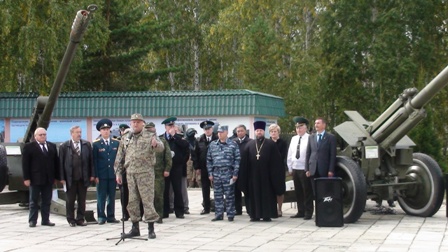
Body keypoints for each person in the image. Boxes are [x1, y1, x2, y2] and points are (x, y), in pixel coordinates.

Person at [115, 113, 164, 239]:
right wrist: (118, 172)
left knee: (147, 201)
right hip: (130, 173)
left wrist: (155, 144)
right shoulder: (126, 137)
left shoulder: (150, 135)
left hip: (145, 174)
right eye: (133, 122)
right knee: (132, 201)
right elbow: (120, 156)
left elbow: (161, 148)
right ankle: (135, 228)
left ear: (143, 123)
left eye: (138, 122)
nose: (135, 124)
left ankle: (151, 228)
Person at [239, 121, 285, 222]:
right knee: (253, 194)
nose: (259, 132)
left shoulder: (271, 144)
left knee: (266, 195)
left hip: (267, 177)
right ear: (255, 132)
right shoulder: (249, 145)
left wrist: (275, 177)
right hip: (253, 177)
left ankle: (266, 215)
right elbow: (244, 163)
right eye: (257, 130)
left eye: (260, 130)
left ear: (263, 131)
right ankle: (254, 215)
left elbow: (276, 162)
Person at [22, 127, 60, 227]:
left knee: (46, 201)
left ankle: (45, 220)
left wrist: (56, 177)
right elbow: (25, 164)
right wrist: (26, 178)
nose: (43, 136)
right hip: (35, 179)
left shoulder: (51, 146)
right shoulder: (29, 147)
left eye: (44, 134)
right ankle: (32, 220)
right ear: (35, 136)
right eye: (40, 135)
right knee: (34, 201)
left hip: (48, 179)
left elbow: (56, 163)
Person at [59, 126, 94, 227]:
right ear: (72, 134)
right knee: (70, 200)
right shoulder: (65, 146)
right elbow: (61, 163)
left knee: (82, 200)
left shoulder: (86, 145)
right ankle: (71, 219)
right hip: (70, 179)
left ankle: (80, 219)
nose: (79, 134)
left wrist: (92, 174)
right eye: (77, 132)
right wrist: (62, 178)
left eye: (80, 132)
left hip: (83, 178)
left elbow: (91, 161)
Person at [207, 125, 240, 221]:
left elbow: (237, 159)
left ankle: (230, 214)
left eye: (221, 132)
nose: (219, 134)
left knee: (229, 195)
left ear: (226, 133)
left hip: (228, 173)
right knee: (217, 195)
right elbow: (209, 160)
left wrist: (235, 173)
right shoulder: (213, 145)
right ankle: (218, 214)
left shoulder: (233, 144)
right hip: (216, 173)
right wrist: (210, 173)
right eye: (218, 132)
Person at [93, 119, 120, 225]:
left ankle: (111, 216)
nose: (106, 131)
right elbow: (94, 161)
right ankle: (101, 216)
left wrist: (118, 173)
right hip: (102, 175)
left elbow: (118, 160)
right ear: (100, 131)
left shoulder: (116, 143)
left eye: (107, 129)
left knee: (112, 196)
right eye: (103, 129)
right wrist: (95, 175)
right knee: (101, 196)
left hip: (112, 174)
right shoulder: (96, 144)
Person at [161, 117, 189, 219]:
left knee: (178, 190)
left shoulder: (178, 137)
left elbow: (186, 147)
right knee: (165, 190)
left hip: (177, 167)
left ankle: (180, 211)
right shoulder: (161, 138)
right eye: (169, 126)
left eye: (172, 125)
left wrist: (175, 136)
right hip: (165, 168)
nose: (171, 127)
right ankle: (165, 211)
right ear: (165, 127)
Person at [287, 117, 314, 220]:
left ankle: (308, 212)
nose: (298, 129)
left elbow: (311, 154)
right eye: (297, 127)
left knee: (307, 191)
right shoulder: (294, 139)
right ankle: (300, 211)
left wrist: (309, 168)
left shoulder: (310, 138)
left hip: (304, 168)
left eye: (301, 127)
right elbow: (290, 153)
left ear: (306, 128)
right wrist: (290, 167)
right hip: (295, 167)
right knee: (298, 191)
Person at [146, 121, 172, 224]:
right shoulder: (142, 142)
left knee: (158, 195)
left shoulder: (162, 141)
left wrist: (167, 169)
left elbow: (168, 157)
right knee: (147, 196)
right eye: (147, 130)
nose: (149, 131)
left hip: (158, 173)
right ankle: (148, 215)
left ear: (155, 130)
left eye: (151, 129)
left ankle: (159, 215)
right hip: (145, 173)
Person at [305, 117, 337, 193]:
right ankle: (317, 204)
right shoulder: (311, 137)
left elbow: (333, 155)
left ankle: (324, 205)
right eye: (315, 123)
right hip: (313, 169)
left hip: (324, 170)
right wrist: (307, 169)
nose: (316, 125)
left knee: (324, 192)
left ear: (324, 125)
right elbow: (308, 153)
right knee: (315, 192)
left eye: (318, 123)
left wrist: (331, 170)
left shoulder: (331, 138)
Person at [194, 120, 218, 215]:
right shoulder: (199, 140)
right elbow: (195, 154)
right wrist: (197, 167)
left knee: (217, 188)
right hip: (204, 168)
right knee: (205, 188)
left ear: (212, 129)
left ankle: (217, 206)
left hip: (216, 167)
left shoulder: (217, 139)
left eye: (209, 129)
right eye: (205, 129)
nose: (207, 131)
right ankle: (206, 207)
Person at [268, 124, 288, 217]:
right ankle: (271, 208)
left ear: (278, 132)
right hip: (269, 169)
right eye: (271, 131)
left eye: (275, 131)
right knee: (270, 189)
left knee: (279, 190)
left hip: (279, 169)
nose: (273, 133)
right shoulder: (267, 142)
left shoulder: (283, 142)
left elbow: (283, 155)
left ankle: (279, 209)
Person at [233, 124, 251, 215]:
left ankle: (249, 209)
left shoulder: (250, 142)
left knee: (247, 191)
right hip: (236, 171)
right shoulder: (233, 142)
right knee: (236, 191)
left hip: (246, 170)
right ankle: (238, 209)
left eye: (241, 131)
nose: (240, 132)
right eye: (238, 131)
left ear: (245, 131)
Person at [117, 124, 131, 221]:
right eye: (122, 131)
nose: (123, 133)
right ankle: (125, 213)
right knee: (124, 194)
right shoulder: (119, 142)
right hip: (124, 172)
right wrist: (118, 173)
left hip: (133, 171)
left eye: (125, 131)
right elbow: (118, 159)